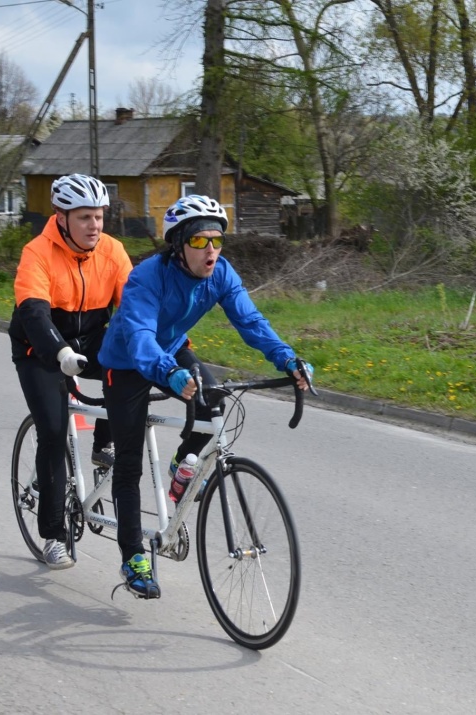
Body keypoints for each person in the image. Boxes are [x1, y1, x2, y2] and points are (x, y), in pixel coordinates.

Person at [98, 194, 312, 598]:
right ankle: (132, 557)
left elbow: (250, 321)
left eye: (217, 240)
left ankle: (184, 462)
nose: (211, 250)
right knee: (128, 463)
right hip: (127, 359)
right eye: (199, 241)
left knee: (215, 401)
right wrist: (170, 373)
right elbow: (141, 336)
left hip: (172, 348)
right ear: (178, 244)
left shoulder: (222, 273)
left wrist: (286, 358)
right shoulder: (148, 277)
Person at [9, 174, 133, 570]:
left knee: (129, 364)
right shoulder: (38, 251)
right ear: (61, 218)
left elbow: (133, 308)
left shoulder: (112, 251)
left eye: (98, 216)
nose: (94, 226)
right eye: (84, 217)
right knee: (53, 430)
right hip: (39, 348)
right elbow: (33, 310)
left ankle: (103, 443)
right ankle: (53, 535)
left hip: (91, 339)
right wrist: (58, 351)